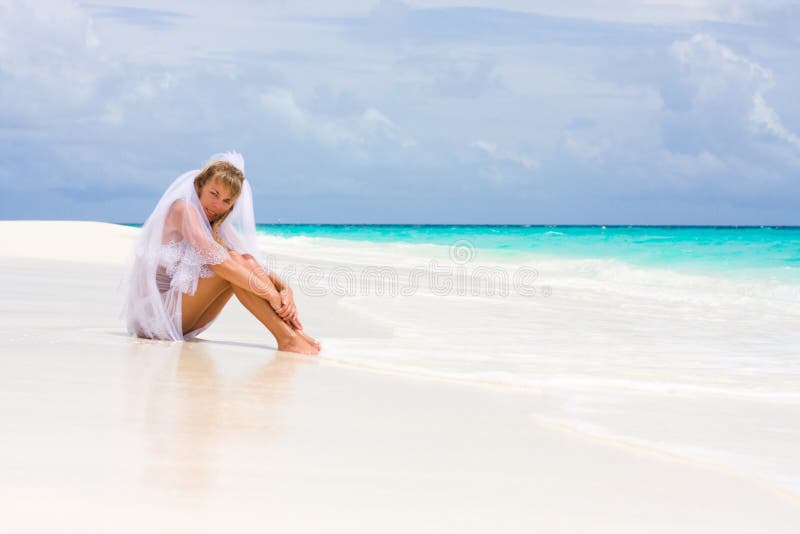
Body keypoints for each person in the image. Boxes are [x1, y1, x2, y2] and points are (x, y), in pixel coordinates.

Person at [122, 151, 320, 355]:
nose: (218, 206)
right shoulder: (182, 209)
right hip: (154, 318)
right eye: (214, 194)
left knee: (246, 261)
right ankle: (288, 339)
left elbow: (250, 263)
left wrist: (285, 289)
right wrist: (270, 294)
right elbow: (218, 263)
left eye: (226, 201)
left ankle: (293, 334)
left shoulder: (215, 222)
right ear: (200, 186)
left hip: (183, 317)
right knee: (228, 268)